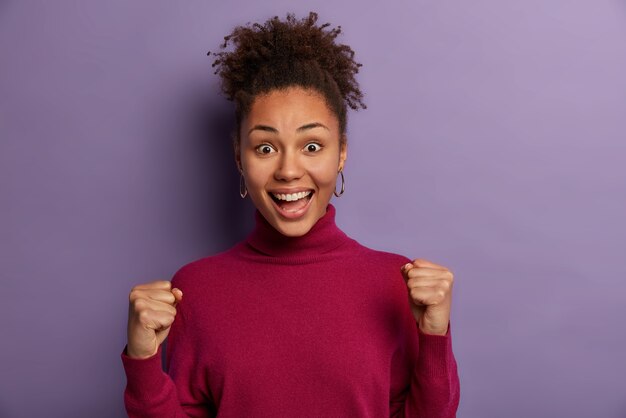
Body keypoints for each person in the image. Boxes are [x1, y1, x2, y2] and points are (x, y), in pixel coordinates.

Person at [120, 11, 460, 417]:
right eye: (265, 148)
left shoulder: (396, 284)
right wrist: (142, 363)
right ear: (238, 158)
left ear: (342, 154)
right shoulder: (194, 291)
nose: (287, 170)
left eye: (312, 146)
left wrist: (435, 336)